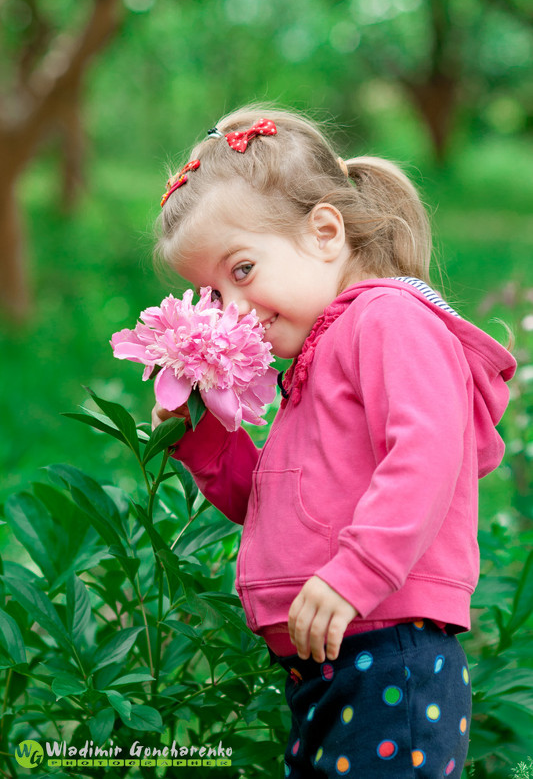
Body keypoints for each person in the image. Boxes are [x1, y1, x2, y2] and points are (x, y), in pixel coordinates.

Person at [151, 106, 516, 777]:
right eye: (206, 293)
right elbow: (270, 504)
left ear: (324, 231)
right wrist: (200, 431)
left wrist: (355, 575)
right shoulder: (315, 356)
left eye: (240, 271)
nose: (229, 310)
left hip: (391, 645)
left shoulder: (386, 320)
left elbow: (425, 455)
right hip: (332, 654)